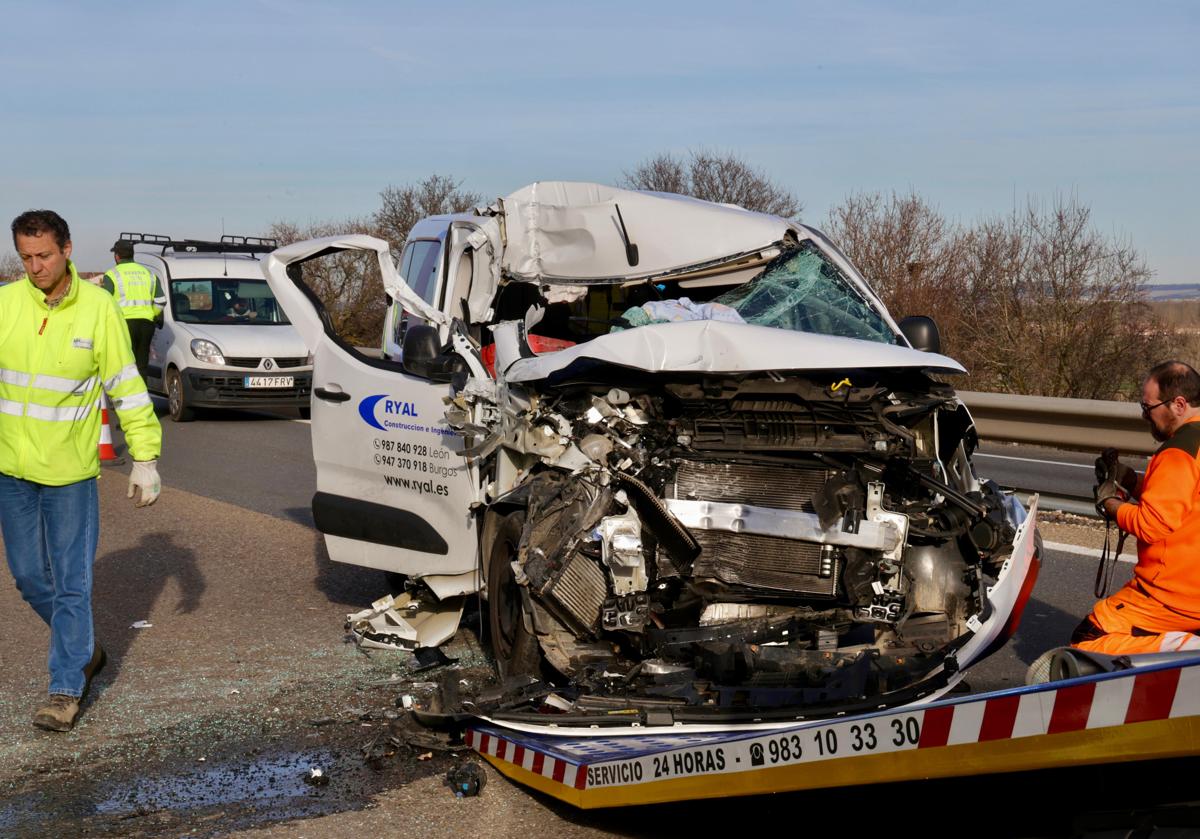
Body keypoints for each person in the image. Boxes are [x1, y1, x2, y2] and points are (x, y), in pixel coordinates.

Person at [1, 210, 164, 732]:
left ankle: (66, 688)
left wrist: (145, 456)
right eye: (26, 257)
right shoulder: (5, 306)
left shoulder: (98, 310)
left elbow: (127, 384)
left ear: (67, 250)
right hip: (12, 471)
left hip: (70, 473)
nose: (35, 266)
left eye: (44, 255)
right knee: (29, 576)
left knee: (72, 584)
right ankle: (85, 649)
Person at [1076, 360, 1200, 655]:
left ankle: (1187, 647)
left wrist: (1111, 505)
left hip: (1172, 594)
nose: (1146, 416)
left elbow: (1152, 524)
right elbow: (1184, 498)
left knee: (1087, 642)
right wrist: (1131, 481)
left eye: (1149, 408)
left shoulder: (1178, 452)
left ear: (1179, 404)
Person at [102, 239, 165, 380]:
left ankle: (126, 398)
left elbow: (105, 303)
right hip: (146, 325)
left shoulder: (112, 275)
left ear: (117, 256)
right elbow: (161, 301)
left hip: (124, 325)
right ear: (132, 255)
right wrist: (152, 316)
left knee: (124, 364)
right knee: (142, 364)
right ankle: (142, 398)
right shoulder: (149, 274)